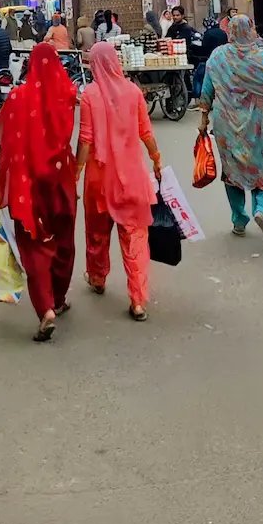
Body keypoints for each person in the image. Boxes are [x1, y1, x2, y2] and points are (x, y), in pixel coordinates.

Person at [0, 43, 77, 341]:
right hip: (61, 182)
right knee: (63, 242)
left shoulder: (17, 97)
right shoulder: (66, 97)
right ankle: (60, 298)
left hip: (28, 187)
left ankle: (47, 309)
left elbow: (8, 148)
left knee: (35, 247)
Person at [77, 42, 161, 321]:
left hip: (100, 179)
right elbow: (145, 132)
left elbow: (86, 140)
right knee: (135, 237)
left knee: (97, 234)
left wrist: (75, 171)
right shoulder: (134, 92)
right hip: (132, 177)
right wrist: (156, 158)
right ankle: (137, 300)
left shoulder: (89, 95)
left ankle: (98, 278)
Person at [197, 15, 263, 244]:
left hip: (225, 125)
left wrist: (204, 119)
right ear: (249, 30)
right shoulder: (258, 57)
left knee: (232, 170)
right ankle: (261, 210)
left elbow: (206, 91)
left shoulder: (217, 56)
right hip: (256, 124)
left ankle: (239, 219)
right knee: (262, 167)